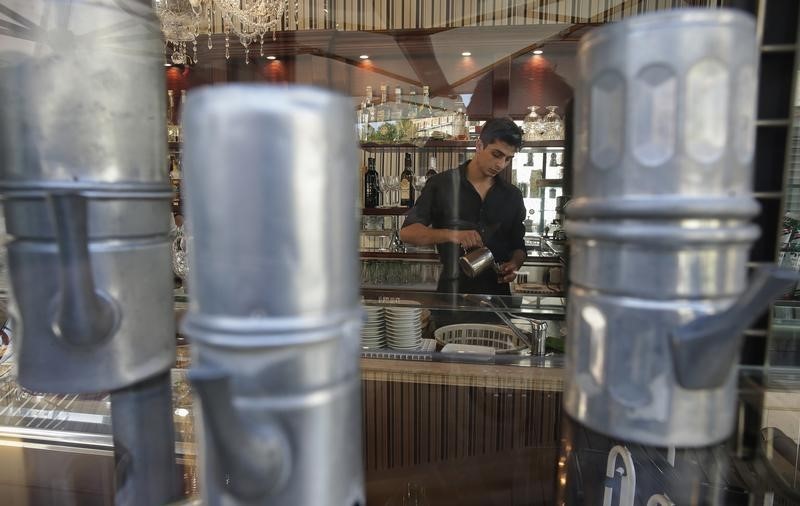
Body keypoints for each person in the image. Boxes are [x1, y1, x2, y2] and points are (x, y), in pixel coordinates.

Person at [399, 118, 527, 298]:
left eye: (508, 159)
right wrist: (453, 234)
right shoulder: (441, 184)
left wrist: (514, 264)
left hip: (497, 300)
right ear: (479, 145)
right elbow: (407, 233)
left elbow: (518, 245)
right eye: (496, 154)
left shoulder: (512, 195)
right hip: (451, 297)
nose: (501, 164)